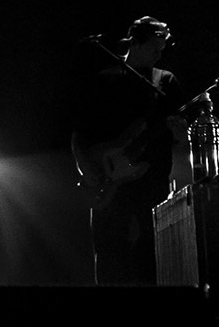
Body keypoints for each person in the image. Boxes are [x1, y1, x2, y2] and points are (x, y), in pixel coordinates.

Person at [71, 16, 188, 285]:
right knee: (110, 257)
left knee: (154, 259)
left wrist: (181, 136)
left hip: (152, 186)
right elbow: (79, 135)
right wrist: (88, 170)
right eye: (154, 48)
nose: (160, 54)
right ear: (134, 43)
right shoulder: (104, 81)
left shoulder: (166, 82)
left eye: (162, 49)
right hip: (109, 186)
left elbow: (180, 142)